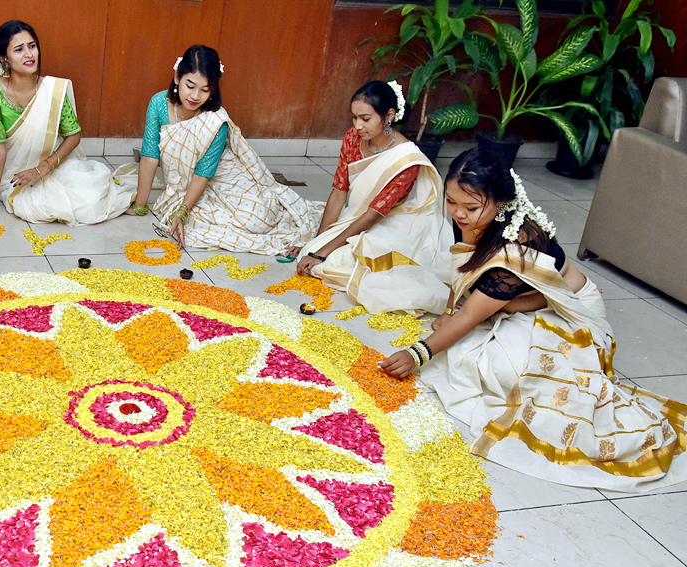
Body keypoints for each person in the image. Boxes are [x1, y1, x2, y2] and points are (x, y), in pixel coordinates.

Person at [379, 149, 685, 492]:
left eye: (470, 207)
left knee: (503, 368)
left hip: (565, 314)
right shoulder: (468, 215)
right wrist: (449, 311)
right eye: (452, 202)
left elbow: (470, 315)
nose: (459, 214)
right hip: (515, 304)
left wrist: (417, 353)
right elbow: (463, 267)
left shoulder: (518, 245)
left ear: (501, 202)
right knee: (469, 352)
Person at [126, 45, 321, 255]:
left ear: (213, 90)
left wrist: (183, 212)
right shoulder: (158, 104)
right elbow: (149, 158)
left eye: (205, 89)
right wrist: (140, 205)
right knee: (200, 223)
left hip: (224, 176)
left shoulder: (216, 120)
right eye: (190, 85)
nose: (195, 96)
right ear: (177, 78)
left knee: (259, 219)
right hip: (186, 185)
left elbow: (204, 174)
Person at [294, 80, 451, 315]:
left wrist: (322, 252)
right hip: (357, 215)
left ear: (389, 116)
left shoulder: (406, 159)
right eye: (354, 118)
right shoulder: (352, 138)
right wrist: (318, 242)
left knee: (340, 265)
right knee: (315, 256)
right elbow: (339, 191)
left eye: (365, 119)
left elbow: (372, 216)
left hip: (394, 221)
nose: (358, 126)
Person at [0, 20, 136, 225]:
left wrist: (43, 168)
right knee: (34, 208)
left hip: (52, 165)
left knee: (88, 201)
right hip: (14, 173)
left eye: (32, 46)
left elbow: (73, 135)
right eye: (19, 49)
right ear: (4, 58)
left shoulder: (53, 90)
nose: (29, 54)